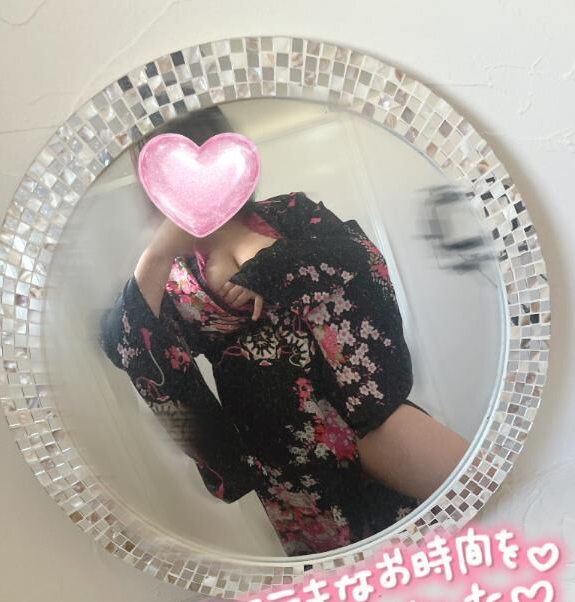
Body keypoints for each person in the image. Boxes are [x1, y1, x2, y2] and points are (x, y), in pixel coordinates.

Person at [99, 109, 469, 557]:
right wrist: (158, 252)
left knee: (472, 507)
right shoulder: (172, 274)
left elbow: (359, 261)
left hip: (360, 409)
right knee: (358, 577)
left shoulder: (289, 213)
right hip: (281, 448)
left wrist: (273, 268)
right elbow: (125, 345)